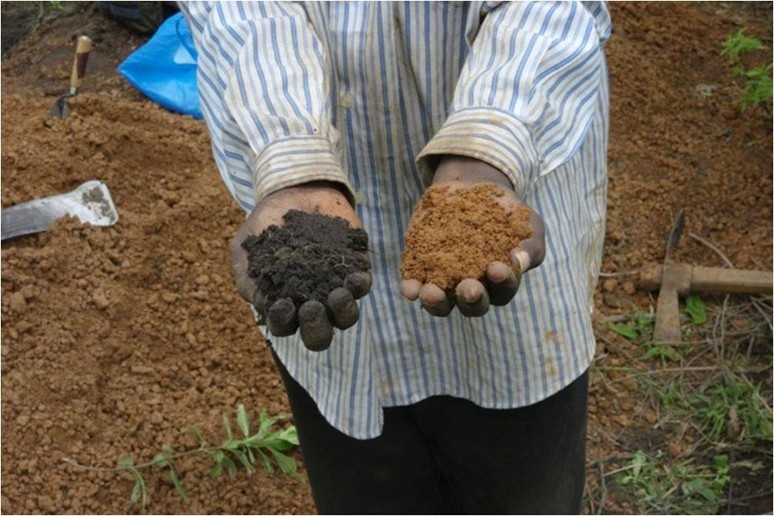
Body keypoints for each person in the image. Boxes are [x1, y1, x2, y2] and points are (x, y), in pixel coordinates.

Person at [180, 2, 611, 514]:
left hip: (517, 171)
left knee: (524, 489)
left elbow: (548, 11)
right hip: (332, 223)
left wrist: (488, 144)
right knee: (364, 486)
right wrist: (294, 159)